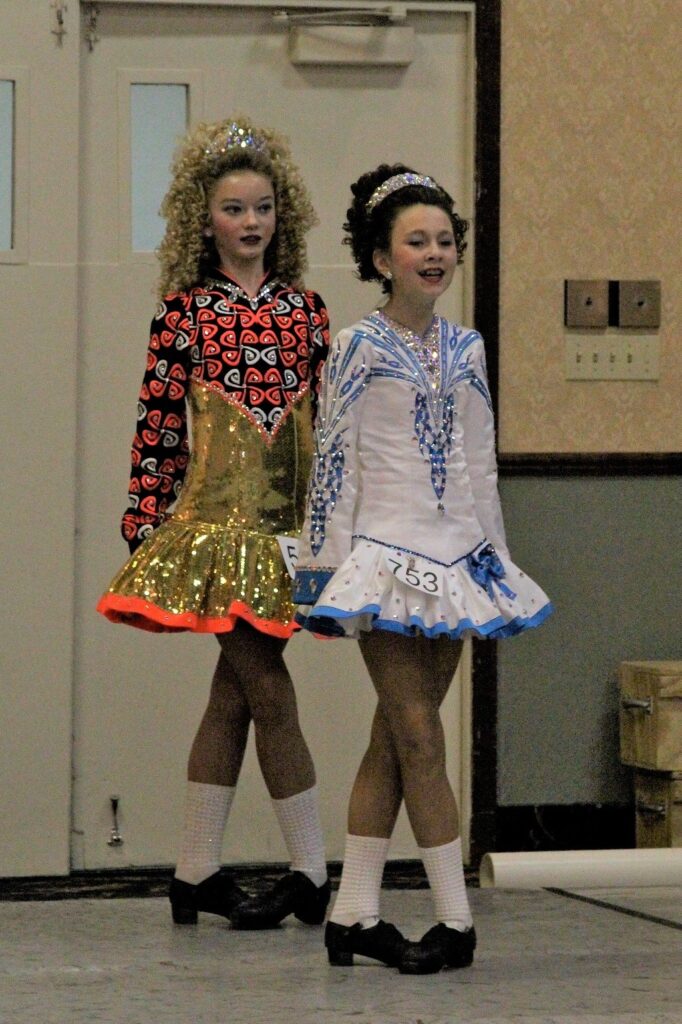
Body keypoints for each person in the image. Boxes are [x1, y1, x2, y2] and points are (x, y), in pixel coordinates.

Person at [294, 165, 553, 973]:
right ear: (381, 257)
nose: (434, 253)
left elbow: (481, 465)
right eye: (417, 242)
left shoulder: (466, 346)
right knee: (419, 735)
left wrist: (496, 564)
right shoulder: (354, 348)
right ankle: (456, 920)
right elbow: (332, 462)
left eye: (445, 240)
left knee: (391, 737)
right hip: (382, 562)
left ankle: (353, 915)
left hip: (458, 561)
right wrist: (322, 571)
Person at [98, 117, 331, 930]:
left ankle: (194, 873)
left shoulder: (308, 313)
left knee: (234, 695)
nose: (251, 222)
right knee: (270, 688)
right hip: (212, 531)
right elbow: (158, 426)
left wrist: (339, 527)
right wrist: (145, 518)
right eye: (235, 209)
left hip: (290, 534)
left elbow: (329, 429)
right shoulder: (183, 315)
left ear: (282, 216)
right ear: (206, 220)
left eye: (264, 207)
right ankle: (311, 870)